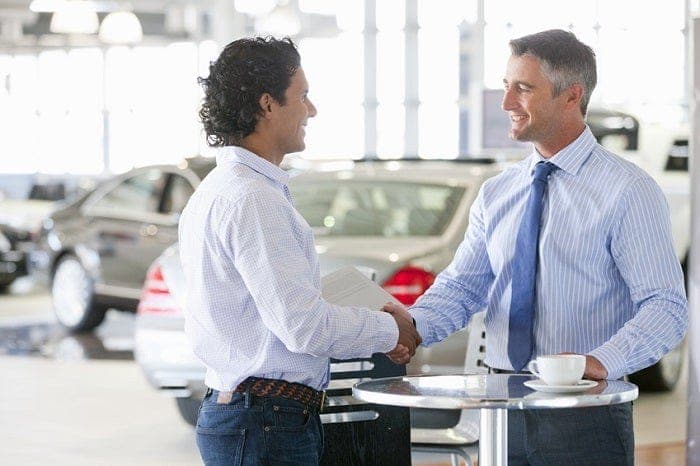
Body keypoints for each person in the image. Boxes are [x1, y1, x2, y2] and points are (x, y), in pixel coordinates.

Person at [385, 29, 688, 465]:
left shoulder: (627, 191)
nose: (507, 102)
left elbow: (666, 306)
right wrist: (410, 327)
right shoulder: (497, 193)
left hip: (584, 410)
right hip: (500, 407)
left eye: (523, 88)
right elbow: (462, 287)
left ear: (572, 95)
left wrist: (600, 362)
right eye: (506, 86)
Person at [179, 36, 421, 466]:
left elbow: (270, 312)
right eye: (303, 96)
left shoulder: (224, 189)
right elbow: (304, 328)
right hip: (267, 424)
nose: (311, 110)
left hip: (256, 417)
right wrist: (389, 331)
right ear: (268, 104)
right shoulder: (253, 199)